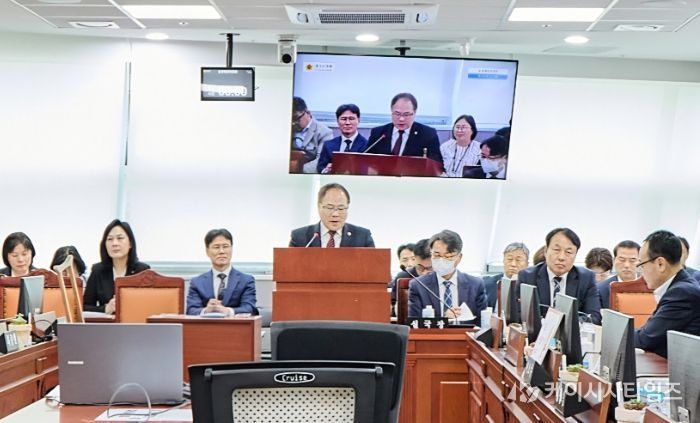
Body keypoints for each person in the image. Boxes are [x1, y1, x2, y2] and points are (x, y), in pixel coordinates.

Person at [635, 230, 700, 358]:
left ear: (661, 264)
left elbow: (645, 339)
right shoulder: (681, 286)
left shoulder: (682, 293)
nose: (641, 272)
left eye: (641, 265)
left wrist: (613, 332)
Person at [518, 228, 602, 324]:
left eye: (568, 252)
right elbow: (519, 314)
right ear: (546, 251)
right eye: (556, 250)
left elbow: (593, 317)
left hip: (572, 332)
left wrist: (565, 325)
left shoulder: (586, 278)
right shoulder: (527, 277)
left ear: (575, 255)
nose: (561, 257)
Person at [408, 230, 487, 320]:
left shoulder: (475, 284)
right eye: (437, 255)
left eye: (448, 256)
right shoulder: (418, 285)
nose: (441, 260)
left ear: (459, 257)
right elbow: (414, 322)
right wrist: (444, 319)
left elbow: (482, 322)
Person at [83, 219, 150, 314]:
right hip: (107, 323)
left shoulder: (143, 271)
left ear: (130, 243)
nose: (114, 243)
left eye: (120, 238)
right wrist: (105, 309)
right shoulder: (97, 270)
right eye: (110, 239)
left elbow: (149, 305)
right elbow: (84, 306)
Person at [186, 229, 257, 316]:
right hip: (206, 324)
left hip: (234, 324)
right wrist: (206, 311)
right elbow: (191, 310)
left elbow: (249, 308)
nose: (221, 251)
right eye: (216, 247)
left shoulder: (246, 280)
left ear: (232, 249)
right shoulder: (197, 282)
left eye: (225, 246)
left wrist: (228, 311)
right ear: (207, 251)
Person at [289, 182, 374, 248]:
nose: (335, 214)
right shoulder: (299, 237)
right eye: (330, 208)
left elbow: (374, 265)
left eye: (341, 208)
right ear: (319, 206)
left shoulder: (363, 237)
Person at [365, 92, 442, 164]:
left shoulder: (428, 134)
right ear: (391, 111)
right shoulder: (378, 133)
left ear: (414, 113)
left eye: (406, 114)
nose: (401, 119)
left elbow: (436, 165)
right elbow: (366, 160)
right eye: (397, 114)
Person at [316, 104, 368, 173]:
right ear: (337, 121)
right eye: (343, 119)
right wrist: (326, 171)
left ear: (358, 120)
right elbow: (320, 167)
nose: (347, 123)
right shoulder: (328, 145)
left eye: (351, 119)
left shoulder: (367, 145)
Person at [290, 96, 334, 174]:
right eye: (291, 119)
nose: (293, 123)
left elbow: (322, 161)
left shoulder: (325, 132)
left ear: (308, 113)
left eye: (296, 118)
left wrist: (297, 169)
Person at [482, 242, 529, 309]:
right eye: (509, 259)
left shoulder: (530, 286)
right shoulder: (486, 284)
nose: (513, 264)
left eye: (518, 260)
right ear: (503, 260)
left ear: (527, 264)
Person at [597, 240, 640, 308]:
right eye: (622, 260)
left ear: (640, 262)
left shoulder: (651, 286)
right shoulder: (600, 290)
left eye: (632, 260)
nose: (626, 265)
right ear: (614, 260)